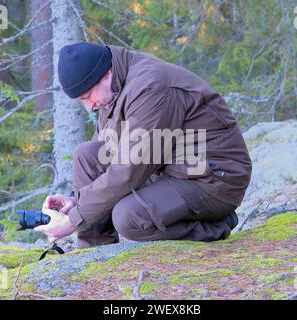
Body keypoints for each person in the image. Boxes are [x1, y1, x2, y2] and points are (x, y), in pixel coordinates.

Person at [34, 42, 252, 248]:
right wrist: (76, 201)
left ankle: (214, 227)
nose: (89, 106)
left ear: (106, 74)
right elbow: (106, 156)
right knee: (87, 155)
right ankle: (95, 252)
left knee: (129, 217)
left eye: (88, 96)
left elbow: (129, 168)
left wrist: (74, 219)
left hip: (213, 178)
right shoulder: (114, 90)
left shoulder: (150, 87)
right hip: (170, 168)